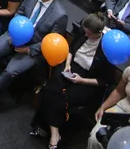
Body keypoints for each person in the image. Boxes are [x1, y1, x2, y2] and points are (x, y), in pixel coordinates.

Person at [33, 14, 115, 149]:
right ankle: (54, 133)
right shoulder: (83, 32)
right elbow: (71, 50)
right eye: (85, 31)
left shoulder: (106, 49)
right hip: (71, 69)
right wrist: (67, 65)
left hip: (87, 79)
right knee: (50, 88)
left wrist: (82, 80)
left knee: (61, 96)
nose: (86, 35)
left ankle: (48, 131)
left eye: (89, 33)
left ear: (99, 33)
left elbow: (104, 81)